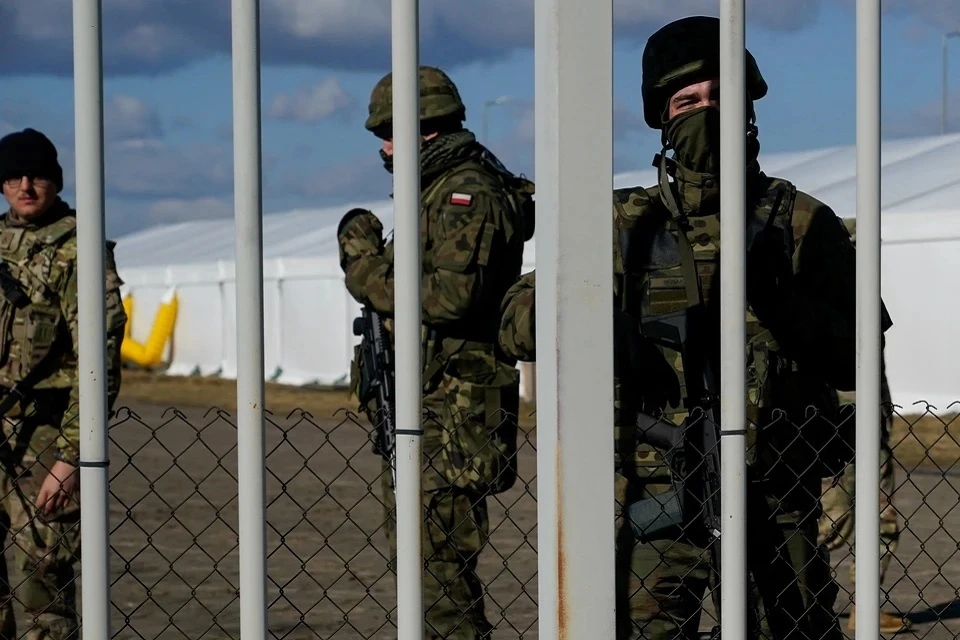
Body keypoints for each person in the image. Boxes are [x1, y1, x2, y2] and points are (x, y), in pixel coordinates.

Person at [498, 15, 887, 640]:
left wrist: (784, 303)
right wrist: (594, 322)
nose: (706, 111)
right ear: (663, 117)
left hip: (779, 489)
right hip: (659, 493)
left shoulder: (805, 222)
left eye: (720, 95)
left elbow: (860, 356)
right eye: (688, 101)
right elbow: (514, 322)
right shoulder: (624, 222)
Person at [337, 66, 534, 639]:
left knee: (438, 576)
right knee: (425, 572)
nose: (383, 148)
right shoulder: (436, 190)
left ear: (422, 128)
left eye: (388, 134)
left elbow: (449, 296)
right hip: (432, 407)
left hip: (450, 415)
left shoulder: (463, 191)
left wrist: (362, 261)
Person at [0, 127, 127, 639]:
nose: (25, 186)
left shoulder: (79, 249)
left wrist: (72, 455)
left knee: (43, 597)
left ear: (55, 180)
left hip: (47, 437)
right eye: (13, 175)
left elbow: (102, 359)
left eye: (38, 176)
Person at [817, 218, 909, 634]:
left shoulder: (847, 295)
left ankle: (859, 607)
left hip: (861, 423)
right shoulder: (833, 297)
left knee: (871, 521)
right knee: (831, 523)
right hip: (845, 424)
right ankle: (805, 600)